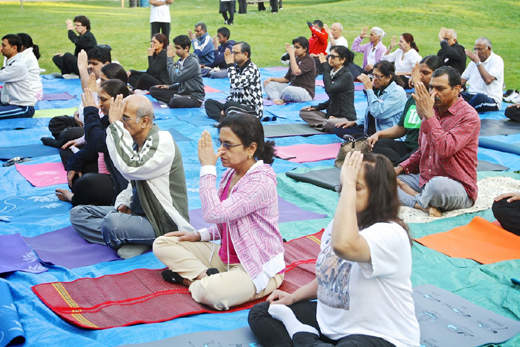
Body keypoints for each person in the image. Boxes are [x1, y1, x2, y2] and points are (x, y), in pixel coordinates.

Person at [248, 151, 420, 347]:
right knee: (262, 312)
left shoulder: (391, 233)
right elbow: (329, 276)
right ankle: (307, 338)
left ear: (378, 193)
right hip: (330, 327)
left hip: (380, 337)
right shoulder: (338, 225)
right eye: (344, 186)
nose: (344, 193)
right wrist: (294, 297)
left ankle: (300, 334)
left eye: (356, 188)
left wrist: (348, 184)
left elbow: (343, 246)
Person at [153, 114, 284, 311]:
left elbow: (214, 213)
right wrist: (199, 235)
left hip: (256, 266)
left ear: (251, 148)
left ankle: (191, 281)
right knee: (163, 243)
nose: (221, 150)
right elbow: (227, 222)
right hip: (226, 258)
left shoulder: (261, 181)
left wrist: (207, 167)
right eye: (220, 142)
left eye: (228, 145)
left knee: (212, 294)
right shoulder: (232, 172)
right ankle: (205, 275)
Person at [70, 94, 193, 259]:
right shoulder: (136, 143)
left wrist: (115, 125)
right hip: (136, 213)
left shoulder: (163, 141)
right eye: (119, 118)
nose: (120, 123)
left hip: (161, 221)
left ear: (145, 121)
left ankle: (145, 237)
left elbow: (131, 168)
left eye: (125, 118)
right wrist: (124, 203)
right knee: (78, 213)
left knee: (112, 223)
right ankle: (132, 238)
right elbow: (131, 184)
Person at [396, 66, 480, 217]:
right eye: (431, 88)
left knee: (437, 186)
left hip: (455, 185)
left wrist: (429, 115)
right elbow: (422, 151)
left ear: (457, 89)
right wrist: (400, 168)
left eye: (440, 88)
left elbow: (444, 149)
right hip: (425, 178)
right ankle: (421, 204)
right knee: (384, 181)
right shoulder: (432, 110)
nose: (433, 93)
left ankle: (414, 198)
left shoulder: (469, 117)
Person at [55, 80, 130, 207]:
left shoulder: (125, 122)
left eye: (103, 99)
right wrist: (75, 163)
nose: (99, 104)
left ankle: (76, 198)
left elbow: (97, 142)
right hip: (106, 170)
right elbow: (91, 147)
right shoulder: (107, 119)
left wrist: (90, 110)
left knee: (85, 183)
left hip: (121, 182)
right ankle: (87, 195)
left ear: (117, 100)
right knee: (70, 157)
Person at [368, 55, 443, 165]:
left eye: (425, 73)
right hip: (407, 147)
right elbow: (401, 128)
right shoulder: (411, 100)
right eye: (418, 73)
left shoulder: (438, 101)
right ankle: (398, 166)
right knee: (376, 144)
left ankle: (398, 167)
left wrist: (417, 86)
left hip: (423, 150)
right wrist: (378, 134)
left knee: (388, 163)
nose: (420, 77)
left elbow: (423, 114)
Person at [42, 46, 113, 150]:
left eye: (94, 64)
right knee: (56, 123)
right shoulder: (98, 80)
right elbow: (86, 101)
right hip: (84, 122)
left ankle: (63, 142)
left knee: (68, 134)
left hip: (97, 125)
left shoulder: (112, 84)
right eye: (89, 63)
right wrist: (77, 114)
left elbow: (88, 93)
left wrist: (82, 70)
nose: (90, 66)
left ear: (106, 64)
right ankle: (72, 140)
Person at [335, 60, 406, 139]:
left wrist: (369, 90)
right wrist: (355, 122)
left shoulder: (397, 92)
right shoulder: (380, 90)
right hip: (374, 129)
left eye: (378, 76)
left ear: (389, 77)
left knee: (372, 141)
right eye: (373, 75)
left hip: (386, 133)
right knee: (340, 128)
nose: (374, 79)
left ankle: (364, 139)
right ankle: (363, 139)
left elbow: (377, 113)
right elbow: (370, 115)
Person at [299, 46, 356, 132]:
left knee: (330, 122)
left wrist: (325, 67)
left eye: (333, 57)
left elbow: (329, 89)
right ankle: (327, 124)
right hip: (331, 115)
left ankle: (329, 124)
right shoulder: (334, 73)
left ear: (342, 60)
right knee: (304, 112)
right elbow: (333, 98)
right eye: (329, 56)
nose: (330, 59)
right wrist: (317, 107)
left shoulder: (346, 76)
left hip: (345, 117)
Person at [205, 42, 263, 121]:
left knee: (229, 105)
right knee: (209, 103)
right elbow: (232, 92)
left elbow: (236, 84)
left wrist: (230, 64)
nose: (232, 56)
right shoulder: (237, 68)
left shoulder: (252, 69)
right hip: (235, 107)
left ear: (245, 54)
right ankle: (224, 119)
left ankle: (226, 118)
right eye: (232, 53)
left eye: (235, 53)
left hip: (251, 110)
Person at [149, 35, 205, 108]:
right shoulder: (181, 61)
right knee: (153, 89)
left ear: (186, 48)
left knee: (174, 101)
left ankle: (175, 99)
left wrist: (169, 58)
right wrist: (169, 87)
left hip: (194, 96)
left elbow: (174, 79)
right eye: (175, 48)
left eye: (178, 48)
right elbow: (182, 83)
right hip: (182, 92)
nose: (175, 51)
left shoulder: (192, 62)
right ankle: (176, 98)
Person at [264, 37, 316, 105]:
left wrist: (291, 54)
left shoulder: (309, 60)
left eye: (297, 47)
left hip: (305, 92)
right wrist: (272, 79)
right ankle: (276, 99)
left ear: (305, 49)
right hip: (292, 88)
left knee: (289, 90)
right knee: (269, 84)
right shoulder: (296, 59)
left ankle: (281, 99)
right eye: (294, 47)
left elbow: (296, 72)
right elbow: (287, 79)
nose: (295, 50)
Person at [461, 37, 504, 113]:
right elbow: (462, 80)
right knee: (455, 95)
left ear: (489, 48)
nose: (477, 52)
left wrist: (477, 62)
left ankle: (464, 113)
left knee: (479, 98)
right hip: (472, 96)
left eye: (480, 49)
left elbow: (488, 80)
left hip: (490, 99)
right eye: (475, 49)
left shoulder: (497, 60)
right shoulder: (473, 63)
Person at [0, 34, 37, 119]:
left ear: (14, 48)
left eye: (4, 45)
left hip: (22, 107)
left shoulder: (17, 65)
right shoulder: (12, 61)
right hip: (9, 100)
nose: (1, 48)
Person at [17, 33, 43, 101]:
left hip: (31, 94)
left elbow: (8, 72)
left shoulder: (27, 57)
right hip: (27, 91)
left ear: (23, 46)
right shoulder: (23, 55)